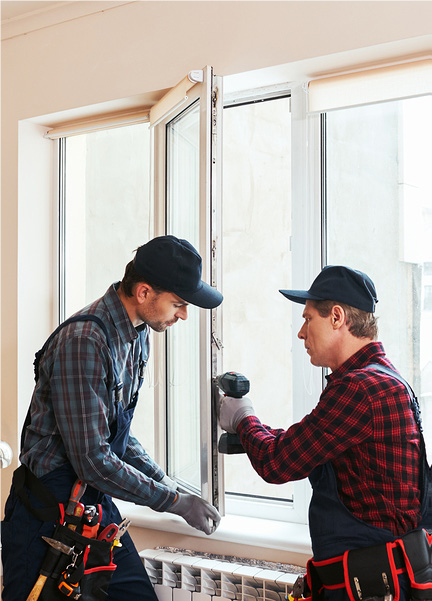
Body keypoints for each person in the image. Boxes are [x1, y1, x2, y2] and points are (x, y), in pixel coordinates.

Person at [1, 235, 223, 601]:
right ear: (144, 292)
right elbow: (93, 459)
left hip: (91, 506)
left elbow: (118, 436)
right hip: (46, 515)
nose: (183, 314)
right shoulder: (85, 340)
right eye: (178, 303)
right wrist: (173, 503)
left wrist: (169, 485)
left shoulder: (137, 335)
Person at [217, 265, 429, 601]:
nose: (301, 333)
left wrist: (243, 417)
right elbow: (305, 444)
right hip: (379, 577)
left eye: (307, 319)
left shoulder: (359, 389)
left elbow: (278, 462)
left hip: (370, 583)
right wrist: (250, 432)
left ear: (337, 317)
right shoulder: (385, 379)